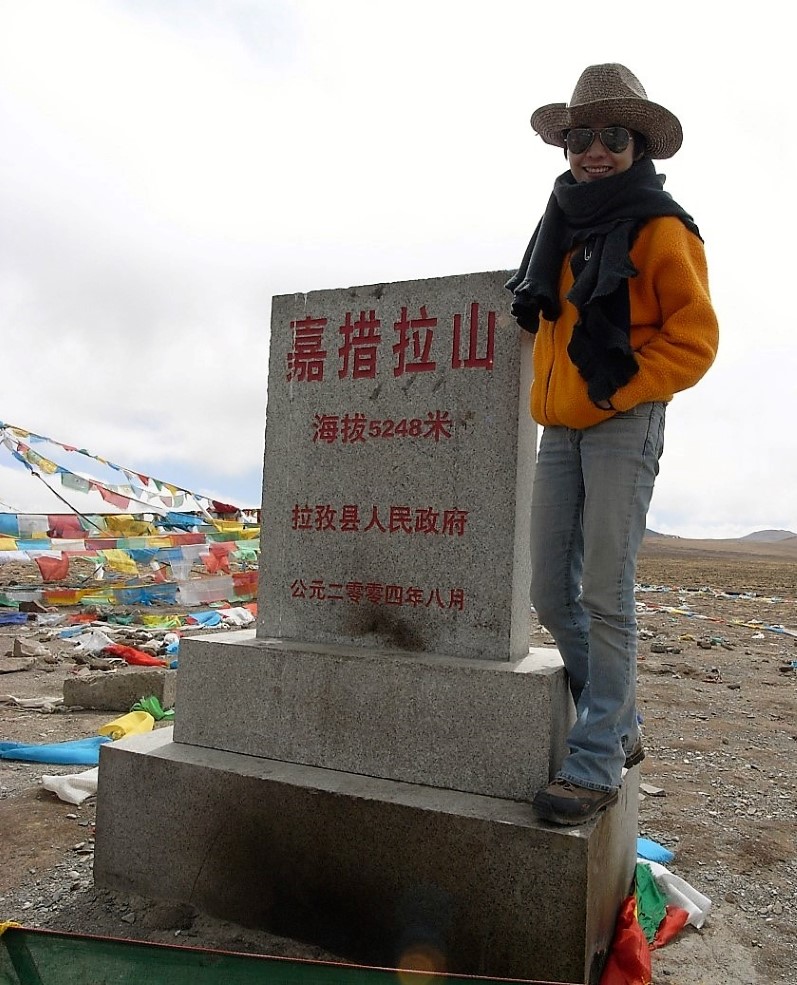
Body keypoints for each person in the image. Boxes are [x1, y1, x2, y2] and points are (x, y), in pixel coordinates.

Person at [505, 64, 719, 826]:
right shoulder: (559, 225)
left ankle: (592, 762)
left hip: (621, 420)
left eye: (611, 136)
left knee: (603, 589)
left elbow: (693, 339)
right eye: (579, 137)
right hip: (559, 425)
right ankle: (620, 724)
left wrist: (614, 389)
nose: (593, 151)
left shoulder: (662, 228)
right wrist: (559, 396)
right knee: (547, 591)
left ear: (636, 145)